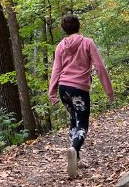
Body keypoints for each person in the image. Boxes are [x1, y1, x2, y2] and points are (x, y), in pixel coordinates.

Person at [48, 13, 115, 179]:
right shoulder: (87, 42)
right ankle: (74, 149)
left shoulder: (60, 46)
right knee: (82, 123)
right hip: (79, 89)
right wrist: (109, 91)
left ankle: (75, 158)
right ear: (79, 26)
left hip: (64, 89)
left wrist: (52, 93)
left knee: (73, 120)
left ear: (64, 29)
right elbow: (99, 66)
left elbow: (56, 70)